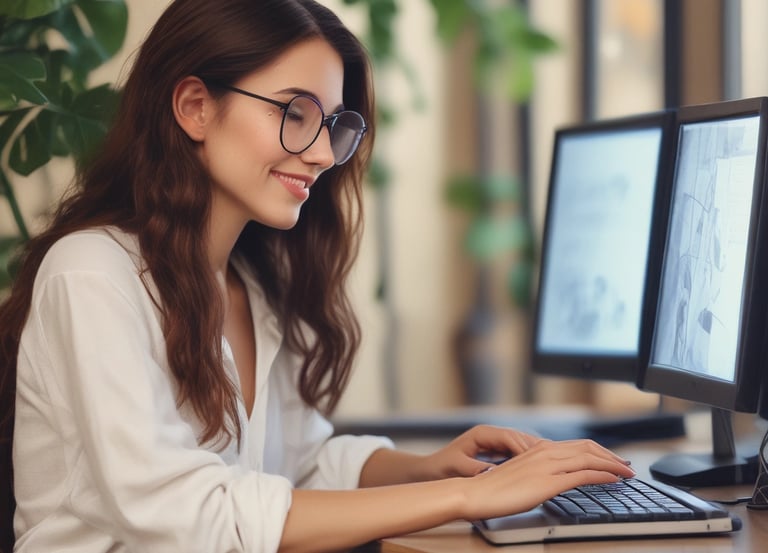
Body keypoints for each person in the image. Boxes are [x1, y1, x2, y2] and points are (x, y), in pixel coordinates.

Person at [0, 0, 635, 551]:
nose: (325, 153)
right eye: (294, 113)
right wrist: (466, 499)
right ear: (195, 107)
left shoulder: (254, 288)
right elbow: (184, 516)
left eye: (333, 124)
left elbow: (297, 468)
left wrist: (431, 468)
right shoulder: (93, 275)